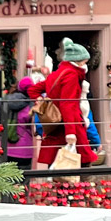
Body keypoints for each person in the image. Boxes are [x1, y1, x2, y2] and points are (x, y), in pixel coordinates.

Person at [39, 39, 94, 168]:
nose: (85, 65)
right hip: (70, 122)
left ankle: (64, 187)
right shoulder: (72, 75)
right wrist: (71, 132)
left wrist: (38, 99)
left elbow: (33, 89)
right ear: (78, 61)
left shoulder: (56, 74)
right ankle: (83, 188)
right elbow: (68, 103)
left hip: (56, 123)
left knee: (57, 161)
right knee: (81, 162)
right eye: (84, 62)